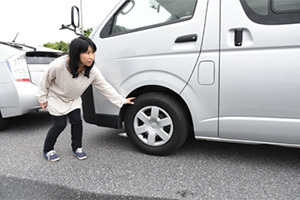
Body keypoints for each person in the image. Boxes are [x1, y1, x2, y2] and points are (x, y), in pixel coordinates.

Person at [36, 36, 135, 162]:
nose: (91, 57)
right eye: (87, 53)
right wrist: (42, 98)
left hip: (73, 99)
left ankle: (77, 147)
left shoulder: (92, 71)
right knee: (59, 124)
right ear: (76, 53)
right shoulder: (57, 66)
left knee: (77, 122)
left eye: (93, 52)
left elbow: (104, 87)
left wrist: (122, 101)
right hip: (56, 97)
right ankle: (48, 149)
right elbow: (44, 81)